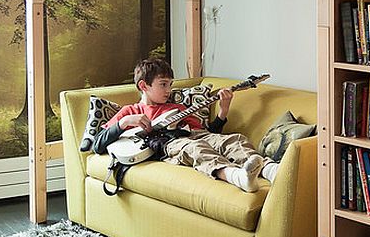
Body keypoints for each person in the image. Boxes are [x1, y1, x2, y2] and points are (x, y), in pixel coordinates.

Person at [93, 57, 278, 192]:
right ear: (143, 86)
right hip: (169, 144)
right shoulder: (130, 111)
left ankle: (271, 170)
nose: (169, 90)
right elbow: (97, 144)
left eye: (170, 85)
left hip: (193, 136)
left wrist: (223, 111)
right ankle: (238, 178)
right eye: (163, 84)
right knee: (195, 147)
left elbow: (207, 135)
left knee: (235, 139)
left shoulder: (178, 108)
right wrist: (124, 122)